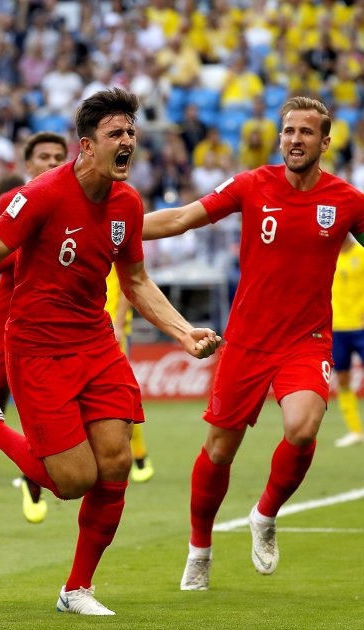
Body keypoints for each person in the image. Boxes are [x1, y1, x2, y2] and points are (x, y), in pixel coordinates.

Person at [0, 88, 220, 615]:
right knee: (74, 481)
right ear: (86, 146)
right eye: (115, 133)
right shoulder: (41, 195)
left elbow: (136, 280)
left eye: (131, 132)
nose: (127, 141)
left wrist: (182, 331)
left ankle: (77, 588)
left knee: (117, 462)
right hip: (37, 349)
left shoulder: (127, 203)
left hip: (96, 344)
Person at [142, 96, 364, 592]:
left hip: (306, 340)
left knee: (303, 428)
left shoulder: (347, 200)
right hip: (246, 341)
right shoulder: (252, 184)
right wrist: (113, 229)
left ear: (325, 142)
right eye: (289, 131)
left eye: (306, 132)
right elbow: (182, 218)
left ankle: (264, 514)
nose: (295, 140)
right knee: (219, 451)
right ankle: (199, 549)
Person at [0, 131, 68, 536]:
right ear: (28, 165)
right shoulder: (9, 203)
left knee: (41, 408)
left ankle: (33, 482)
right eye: (43, 157)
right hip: (6, 320)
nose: (51, 163)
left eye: (58, 157)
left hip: (53, 323)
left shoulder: (76, 203)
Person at [105, 264, 154, 483]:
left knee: (122, 393)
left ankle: (140, 454)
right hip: (84, 328)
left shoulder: (115, 243)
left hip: (111, 329)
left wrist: (119, 322)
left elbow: (128, 282)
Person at [331, 235, 364, 447]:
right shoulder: (328, 256)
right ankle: (355, 430)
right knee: (343, 379)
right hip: (337, 328)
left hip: (361, 327)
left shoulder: (361, 254)